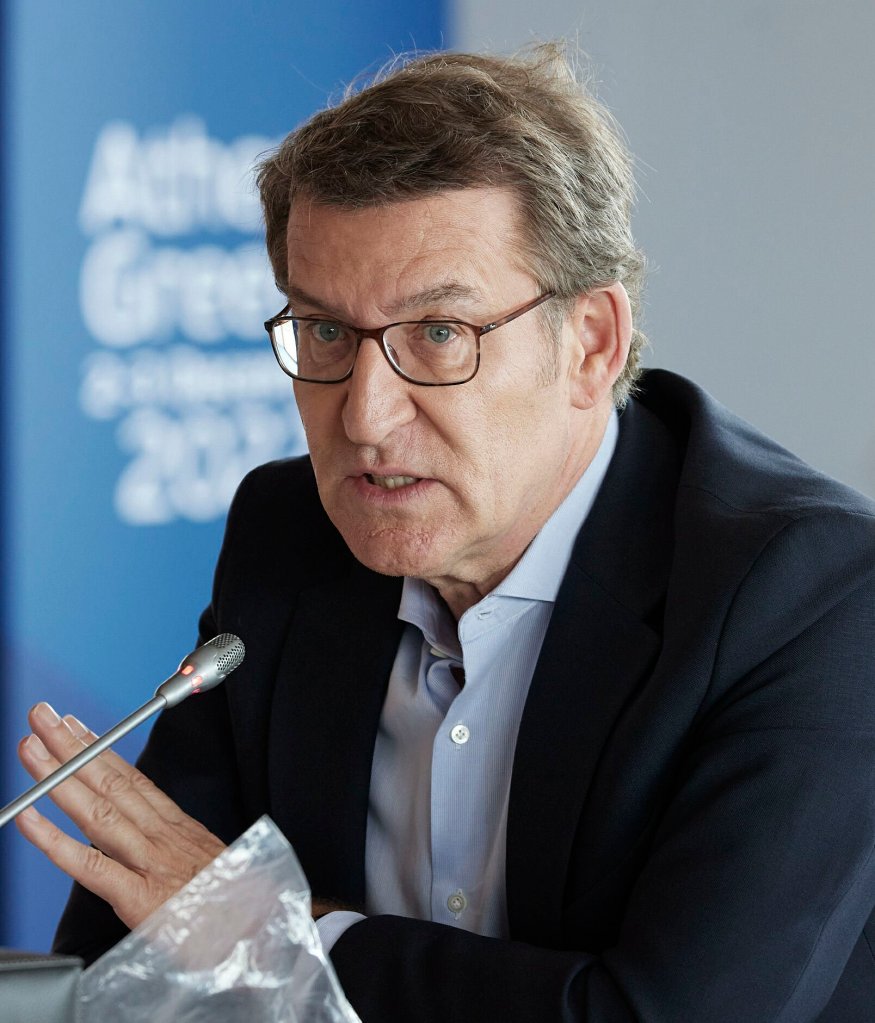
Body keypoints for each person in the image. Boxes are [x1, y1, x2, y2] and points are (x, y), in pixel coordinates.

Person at [15, 44, 875, 1022]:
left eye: (436, 334)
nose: (365, 417)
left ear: (589, 343)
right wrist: (236, 936)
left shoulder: (808, 595)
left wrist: (278, 937)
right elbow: (137, 957)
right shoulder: (288, 538)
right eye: (326, 333)